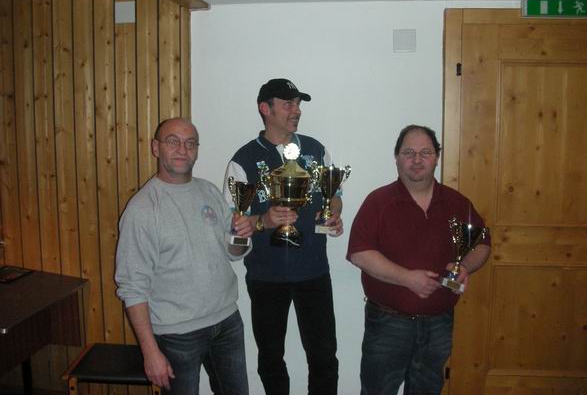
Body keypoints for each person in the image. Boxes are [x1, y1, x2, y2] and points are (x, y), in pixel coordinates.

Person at [346, 124, 491, 395]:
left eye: (425, 152)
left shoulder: (456, 203)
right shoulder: (378, 202)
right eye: (408, 152)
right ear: (396, 157)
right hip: (387, 324)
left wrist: (465, 267)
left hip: (439, 324)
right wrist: (407, 279)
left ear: (437, 157)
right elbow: (359, 253)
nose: (416, 160)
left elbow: (482, 245)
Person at [115, 117, 254, 395]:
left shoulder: (209, 191)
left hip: (227, 321)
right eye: (173, 142)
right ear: (156, 148)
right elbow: (132, 287)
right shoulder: (142, 209)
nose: (182, 150)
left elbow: (231, 252)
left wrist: (242, 235)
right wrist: (150, 352)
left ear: (197, 150)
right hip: (176, 335)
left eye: (190, 143)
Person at [223, 78, 342, 395]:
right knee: (271, 359)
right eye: (288, 104)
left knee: (324, 357)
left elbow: (335, 196)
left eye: (298, 104)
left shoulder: (316, 150)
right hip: (266, 277)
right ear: (266, 108)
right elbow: (234, 225)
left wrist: (332, 213)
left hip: (314, 272)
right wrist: (263, 220)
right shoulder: (243, 160)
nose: (296, 111)